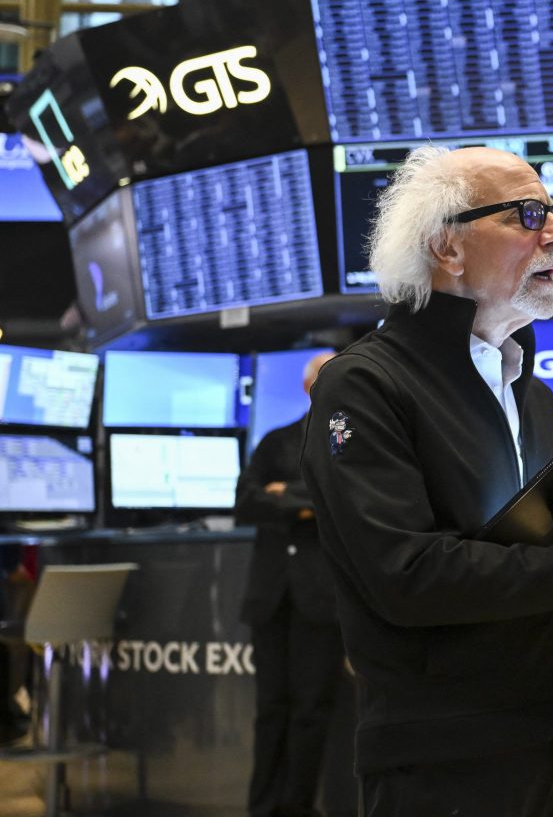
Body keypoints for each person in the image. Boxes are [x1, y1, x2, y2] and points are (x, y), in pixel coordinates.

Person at [300, 146, 553, 817]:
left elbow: (541, 557)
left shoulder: (531, 390)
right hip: (444, 759)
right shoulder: (365, 384)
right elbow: (404, 576)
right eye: (528, 215)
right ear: (447, 249)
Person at [235, 350, 342, 817]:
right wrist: (301, 503)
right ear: (306, 386)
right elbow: (245, 502)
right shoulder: (274, 441)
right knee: (270, 709)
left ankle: (298, 807)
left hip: (320, 599)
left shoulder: (349, 443)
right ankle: (261, 807)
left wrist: (287, 495)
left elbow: (341, 503)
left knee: (311, 711)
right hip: (271, 596)